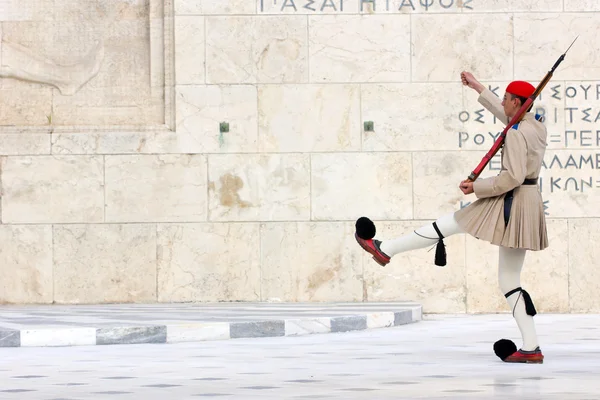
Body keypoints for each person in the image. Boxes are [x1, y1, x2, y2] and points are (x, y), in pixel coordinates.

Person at [354, 71, 549, 364]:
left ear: (518, 103)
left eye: (508, 99)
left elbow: (512, 176)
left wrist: (476, 188)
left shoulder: (516, 133)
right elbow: (509, 118)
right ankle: (531, 347)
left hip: (510, 201)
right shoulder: (535, 127)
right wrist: (478, 88)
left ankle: (386, 249)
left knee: (454, 223)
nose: (504, 103)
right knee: (509, 278)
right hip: (527, 202)